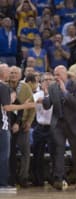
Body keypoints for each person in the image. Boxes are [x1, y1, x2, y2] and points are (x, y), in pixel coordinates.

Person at [39, 65, 76, 190]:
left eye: (58, 74)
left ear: (65, 74)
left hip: (74, 124)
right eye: (55, 74)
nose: (55, 77)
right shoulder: (52, 87)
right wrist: (46, 93)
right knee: (58, 151)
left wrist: (65, 91)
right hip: (58, 124)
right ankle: (59, 179)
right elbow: (47, 106)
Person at [0, 63, 34, 192]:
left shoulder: (16, 88)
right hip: (3, 126)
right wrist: (24, 107)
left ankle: (14, 179)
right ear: (3, 73)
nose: (10, 74)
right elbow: (7, 107)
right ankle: (3, 183)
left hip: (12, 125)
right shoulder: (3, 87)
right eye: (9, 71)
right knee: (4, 156)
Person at [32, 72, 54, 187]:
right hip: (40, 127)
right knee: (37, 155)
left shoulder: (56, 94)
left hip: (53, 128)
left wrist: (46, 98)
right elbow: (36, 104)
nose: (48, 81)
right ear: (40, 82)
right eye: (46, 80)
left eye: (50, 79)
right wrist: (44, 97)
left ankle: (55, 179)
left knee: (54, 155)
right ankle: (38, 180)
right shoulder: (36, 94)